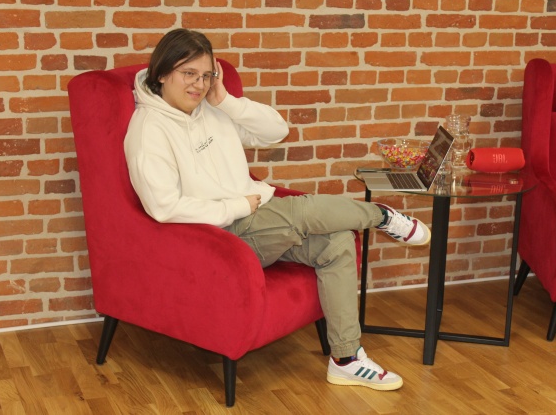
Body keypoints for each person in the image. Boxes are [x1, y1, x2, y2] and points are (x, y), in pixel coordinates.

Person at [124, 28, 431, 392]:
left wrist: (226, 101)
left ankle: (346, 359)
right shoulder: (148, 130)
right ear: (162, 72)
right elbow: (163, 207)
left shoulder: (211, 108)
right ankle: (380, 216)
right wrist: (235, 206)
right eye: (188, 73)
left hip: (257, 220)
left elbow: (276, 131)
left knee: (336, 244)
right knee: (300, 213)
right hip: (219, 238)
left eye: (206, 75)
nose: (199, 85)